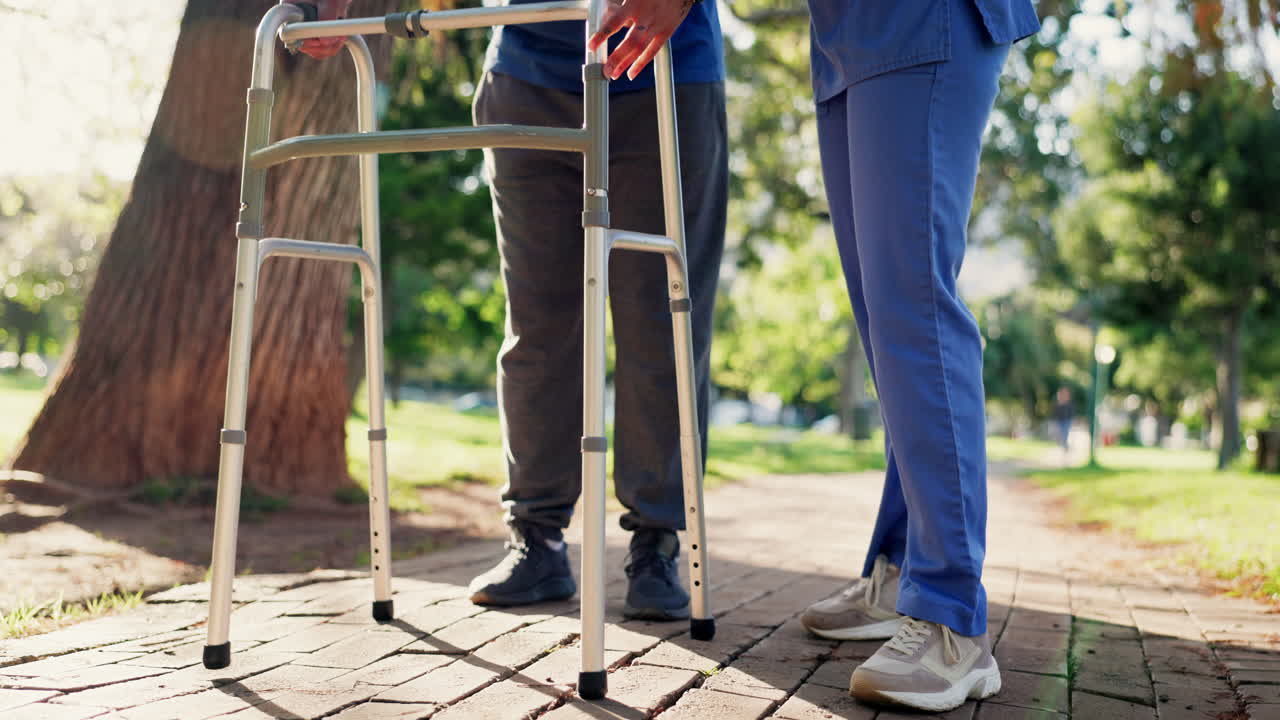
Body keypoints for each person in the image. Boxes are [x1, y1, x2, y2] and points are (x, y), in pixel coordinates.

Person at [591, 0, 1037, 712]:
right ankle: (902, 573)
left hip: (923, 20)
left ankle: (954, 620)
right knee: (886, 326)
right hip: (846, 36)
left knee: (914, 306)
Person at [296, 0, 727, 622]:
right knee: (538, 326)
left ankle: (656, 541)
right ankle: (536, 539)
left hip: (661, 65)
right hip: (527, 74)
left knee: (662, 324)